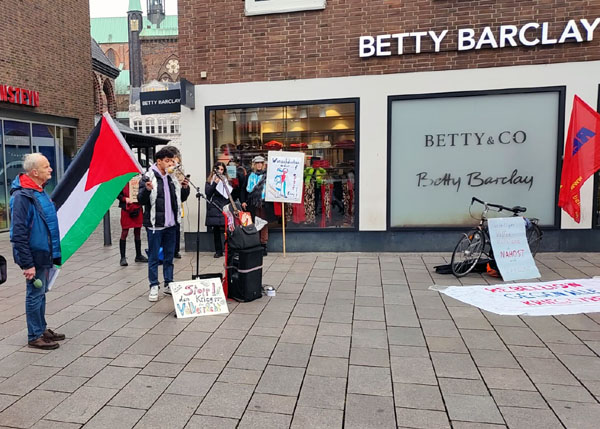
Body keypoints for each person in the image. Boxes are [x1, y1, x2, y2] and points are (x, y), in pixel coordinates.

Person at [9, 153, 64, 350]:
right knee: (34, 293)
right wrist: (27, 263)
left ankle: (41, 328)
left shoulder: (38, 191)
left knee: (40, 292)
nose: (50, 169)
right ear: (34, 172)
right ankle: (34, 335)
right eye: (46, 166)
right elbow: (18, 233)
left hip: (44, 252)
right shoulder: (22, 196)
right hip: (34, 254)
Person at [138, 146, 190, 302]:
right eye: (167, 161)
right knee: (154, 256)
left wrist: (185, 187)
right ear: (158, 161)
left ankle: (169, 282)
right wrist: (146, 190)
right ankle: (154, 285)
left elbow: (181, 198)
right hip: (155, 224)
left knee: (169, 256)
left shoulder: (172, 177)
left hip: (171, 223)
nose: (170, 164)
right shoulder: (148, 176)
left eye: (172, 161)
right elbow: (141, 200)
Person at [242, 155, 274, 256]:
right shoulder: (249, 176)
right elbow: (243, 189)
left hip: (264, 202)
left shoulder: (268, 176)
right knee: (253, 224)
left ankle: (263, 245)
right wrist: (243, 201)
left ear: (263, 164)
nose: (259, 165)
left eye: (261, 163)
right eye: (257, 163)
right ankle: (255, 244)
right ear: (254, 165)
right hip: (252, 203)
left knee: (263, 223)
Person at [116, 176, 148, 266]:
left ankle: (138, 255)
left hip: (137, 207)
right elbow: (117, 193)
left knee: (137, 231)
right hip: (127, 208)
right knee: (124, 232)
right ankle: (122, 257)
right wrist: (124, 199)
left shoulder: (139, 179)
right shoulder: (122, 180)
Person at [205, 162, 230, 258]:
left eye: (222, 169)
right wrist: (215, 183)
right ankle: (218, 250)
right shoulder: (210, 180)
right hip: (214, 206)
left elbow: (230, 194)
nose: (220, 171)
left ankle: (228, 248)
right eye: (218, 169)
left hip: (224, 205)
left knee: (228, 229)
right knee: (216, 230)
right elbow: (208, 193)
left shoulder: (226, 180)